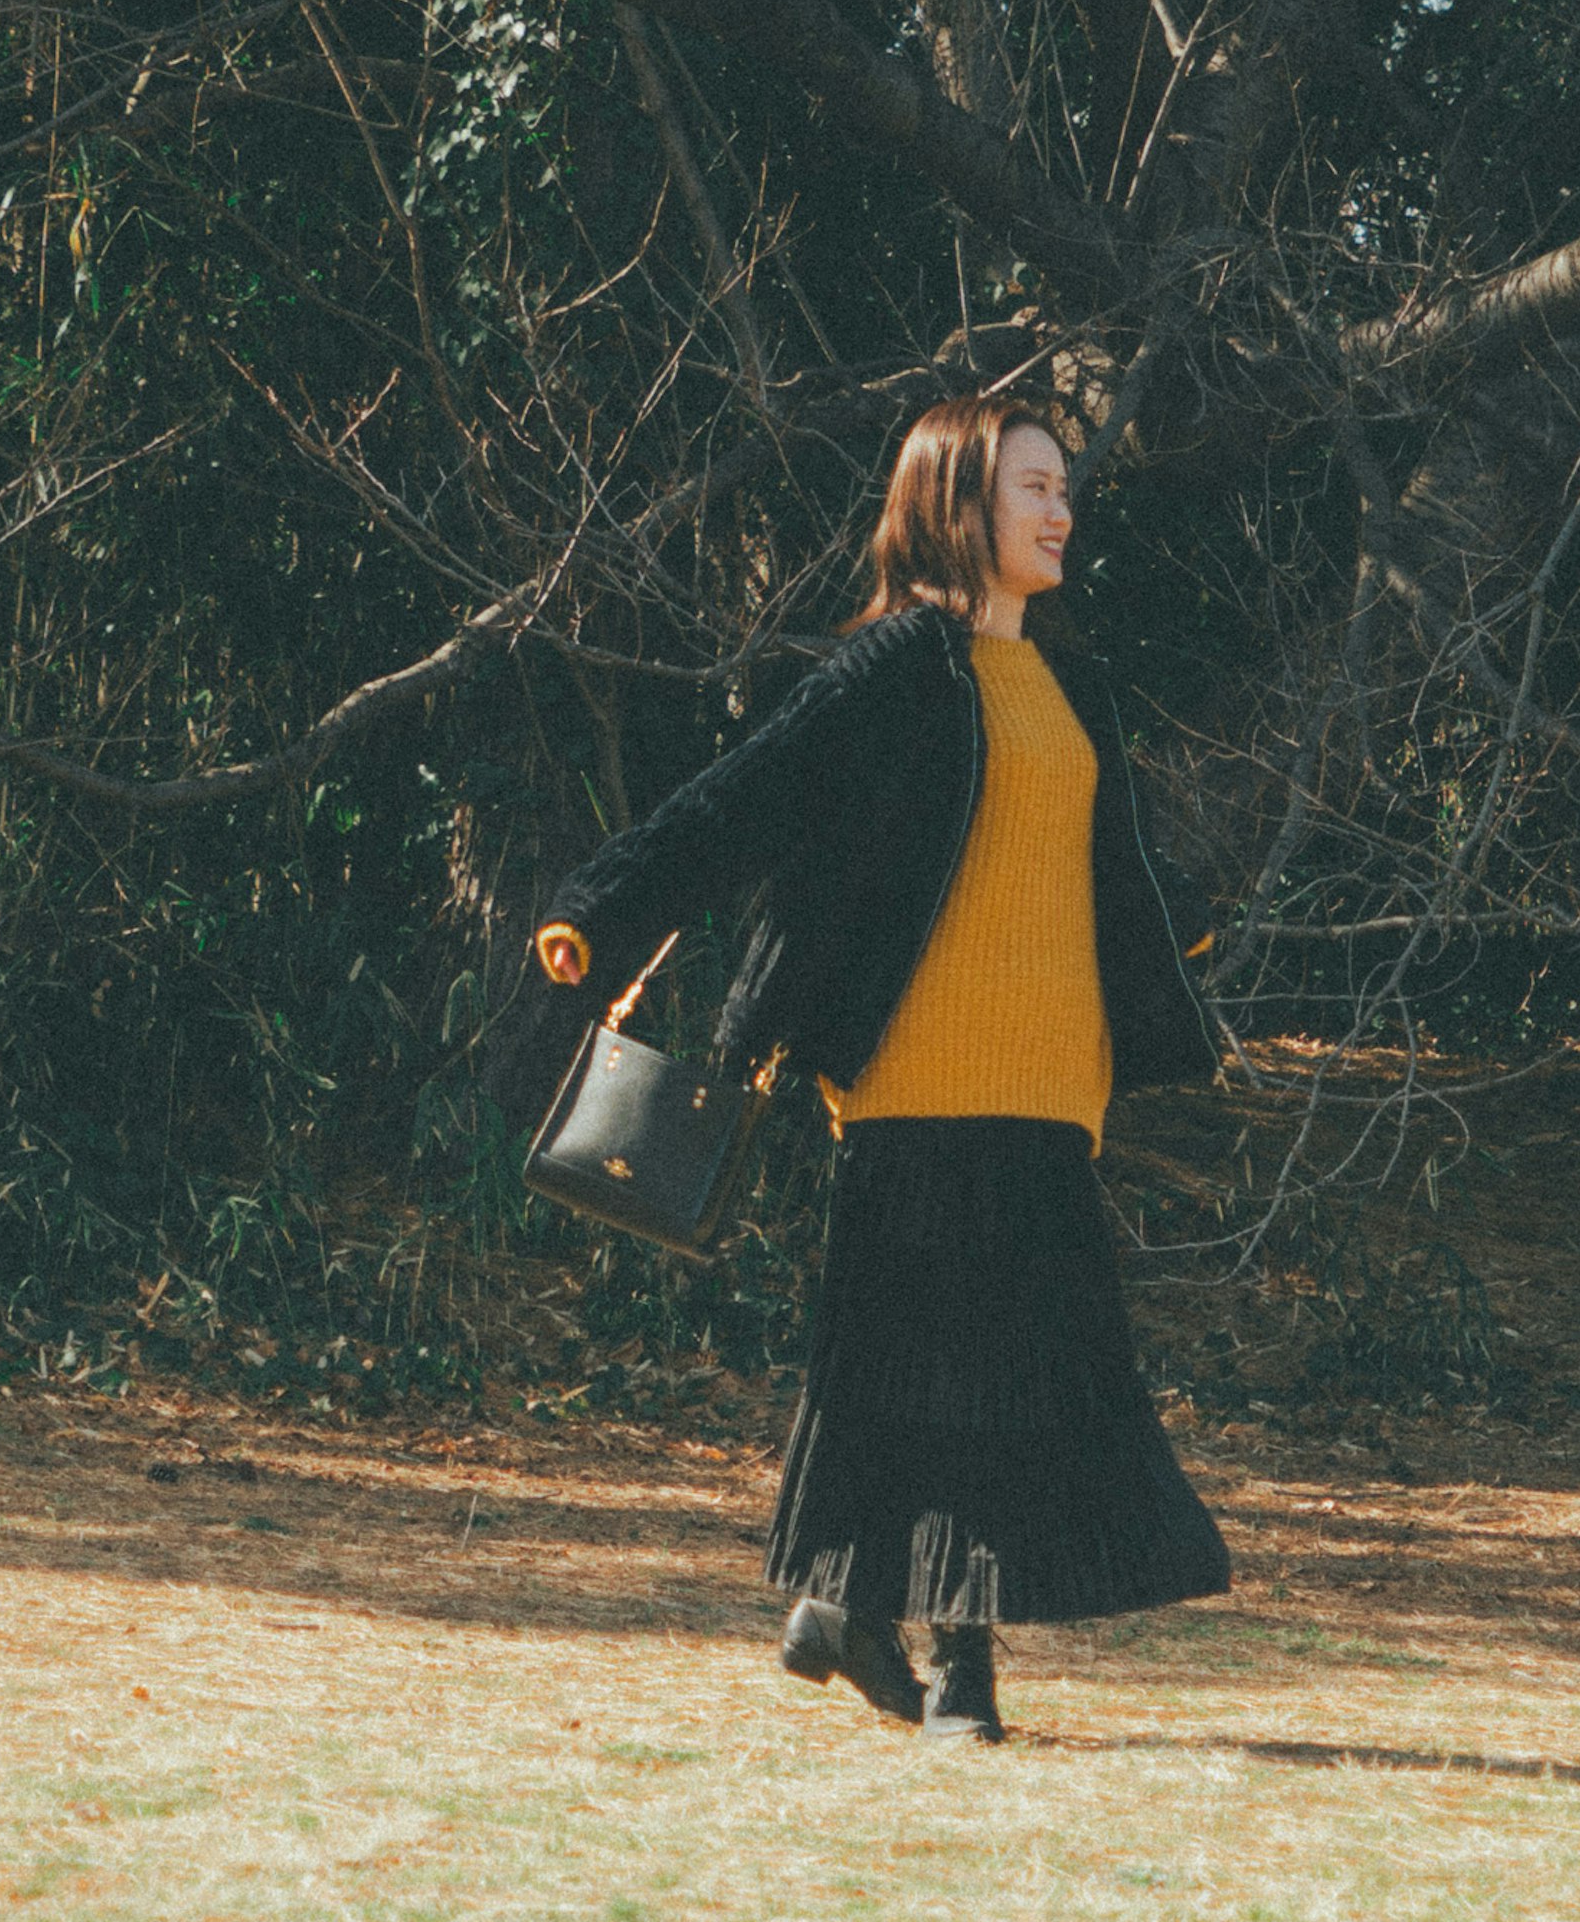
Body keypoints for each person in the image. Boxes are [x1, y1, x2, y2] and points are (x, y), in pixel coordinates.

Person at [501, 385, 1229, 1742]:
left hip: (1051, 1082)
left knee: (985, 1373)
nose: (1062, 510)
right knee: (956, 1377)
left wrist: (1182, 919)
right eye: (1033, 487)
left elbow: (1086, 857)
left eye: (1063, 487)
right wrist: (597, 912)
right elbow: (740, 799)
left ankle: (845, 1609)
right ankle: (961, 1671)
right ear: (955, 504)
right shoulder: (897, 666)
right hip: (915, 1076)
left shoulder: (1072, 684)